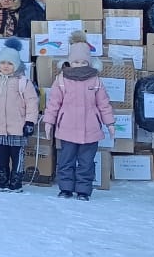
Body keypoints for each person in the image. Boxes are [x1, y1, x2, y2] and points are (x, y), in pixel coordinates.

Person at [43, 32, 115, 200]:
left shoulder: (95, 80)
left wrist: (110, 123)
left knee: (86, 163)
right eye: (76, 62)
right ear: (69, 62)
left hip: (90, 129)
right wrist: (49, 122)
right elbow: (53, 103)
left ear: (89, 62)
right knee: (66, 161)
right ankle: (66, 188)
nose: (80, 65)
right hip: (67, 128)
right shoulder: (61, 79)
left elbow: (103, 104)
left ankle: (83, 190)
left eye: (84, 62)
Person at [0, 38, 40, 192]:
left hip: (18, 126)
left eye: (10, 63)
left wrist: (30, 122)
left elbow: (32, 102)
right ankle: (2, 178)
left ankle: (16, 180)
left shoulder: (23, 82)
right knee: (1, 154)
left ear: (16, 65)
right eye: (3, 62)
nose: (6, 66)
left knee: (17, 154)